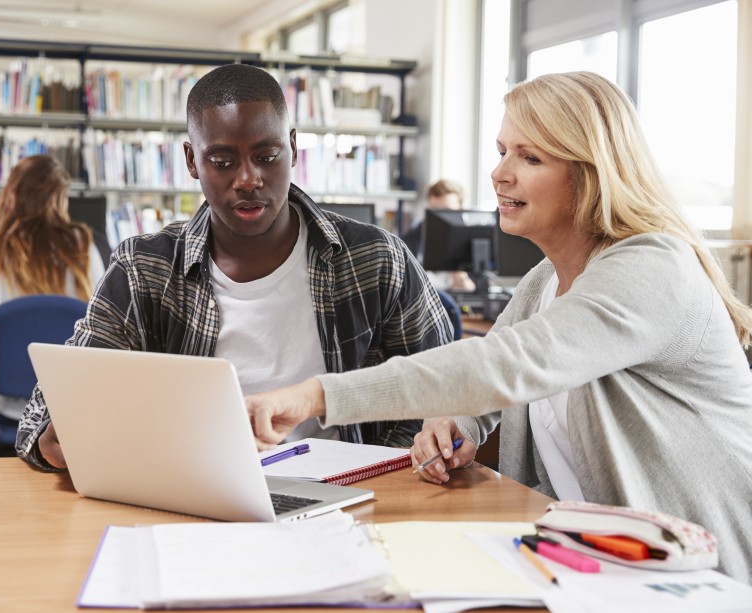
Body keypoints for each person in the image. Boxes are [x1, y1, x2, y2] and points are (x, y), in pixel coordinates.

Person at [246, 71, 752, 582]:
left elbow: (506, 366)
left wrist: (317, 396)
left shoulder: (653, 267)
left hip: (697, 577)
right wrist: (457, 425)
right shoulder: (544, 282)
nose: (499, 173)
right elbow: (488, 389)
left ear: (592, 174)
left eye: (530, 158)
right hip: (591, 562)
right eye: (502, 150)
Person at [15, 63, 453, 471]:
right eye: (222, 163)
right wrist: (60, 435)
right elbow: (42, 413)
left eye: (267, 157)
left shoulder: (377, 259)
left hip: (351, 494)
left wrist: (380, 468)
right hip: (190, 491)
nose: (247, 180)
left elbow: (444, 388)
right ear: (191, 161)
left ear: (294, 148)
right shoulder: (144, 268)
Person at [0, 154, 107, 423]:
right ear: (59, 198)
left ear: (12, 195)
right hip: (72, 403)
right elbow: (103, 319)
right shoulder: (83, 243)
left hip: (10, 405)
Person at [402, 179, 477, 292]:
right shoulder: (411, 239)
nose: (441, 219)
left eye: (447, 211)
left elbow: (482, 283)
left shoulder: (472, 240)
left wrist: (467, 283)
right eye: (435, 211)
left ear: (461, 209)